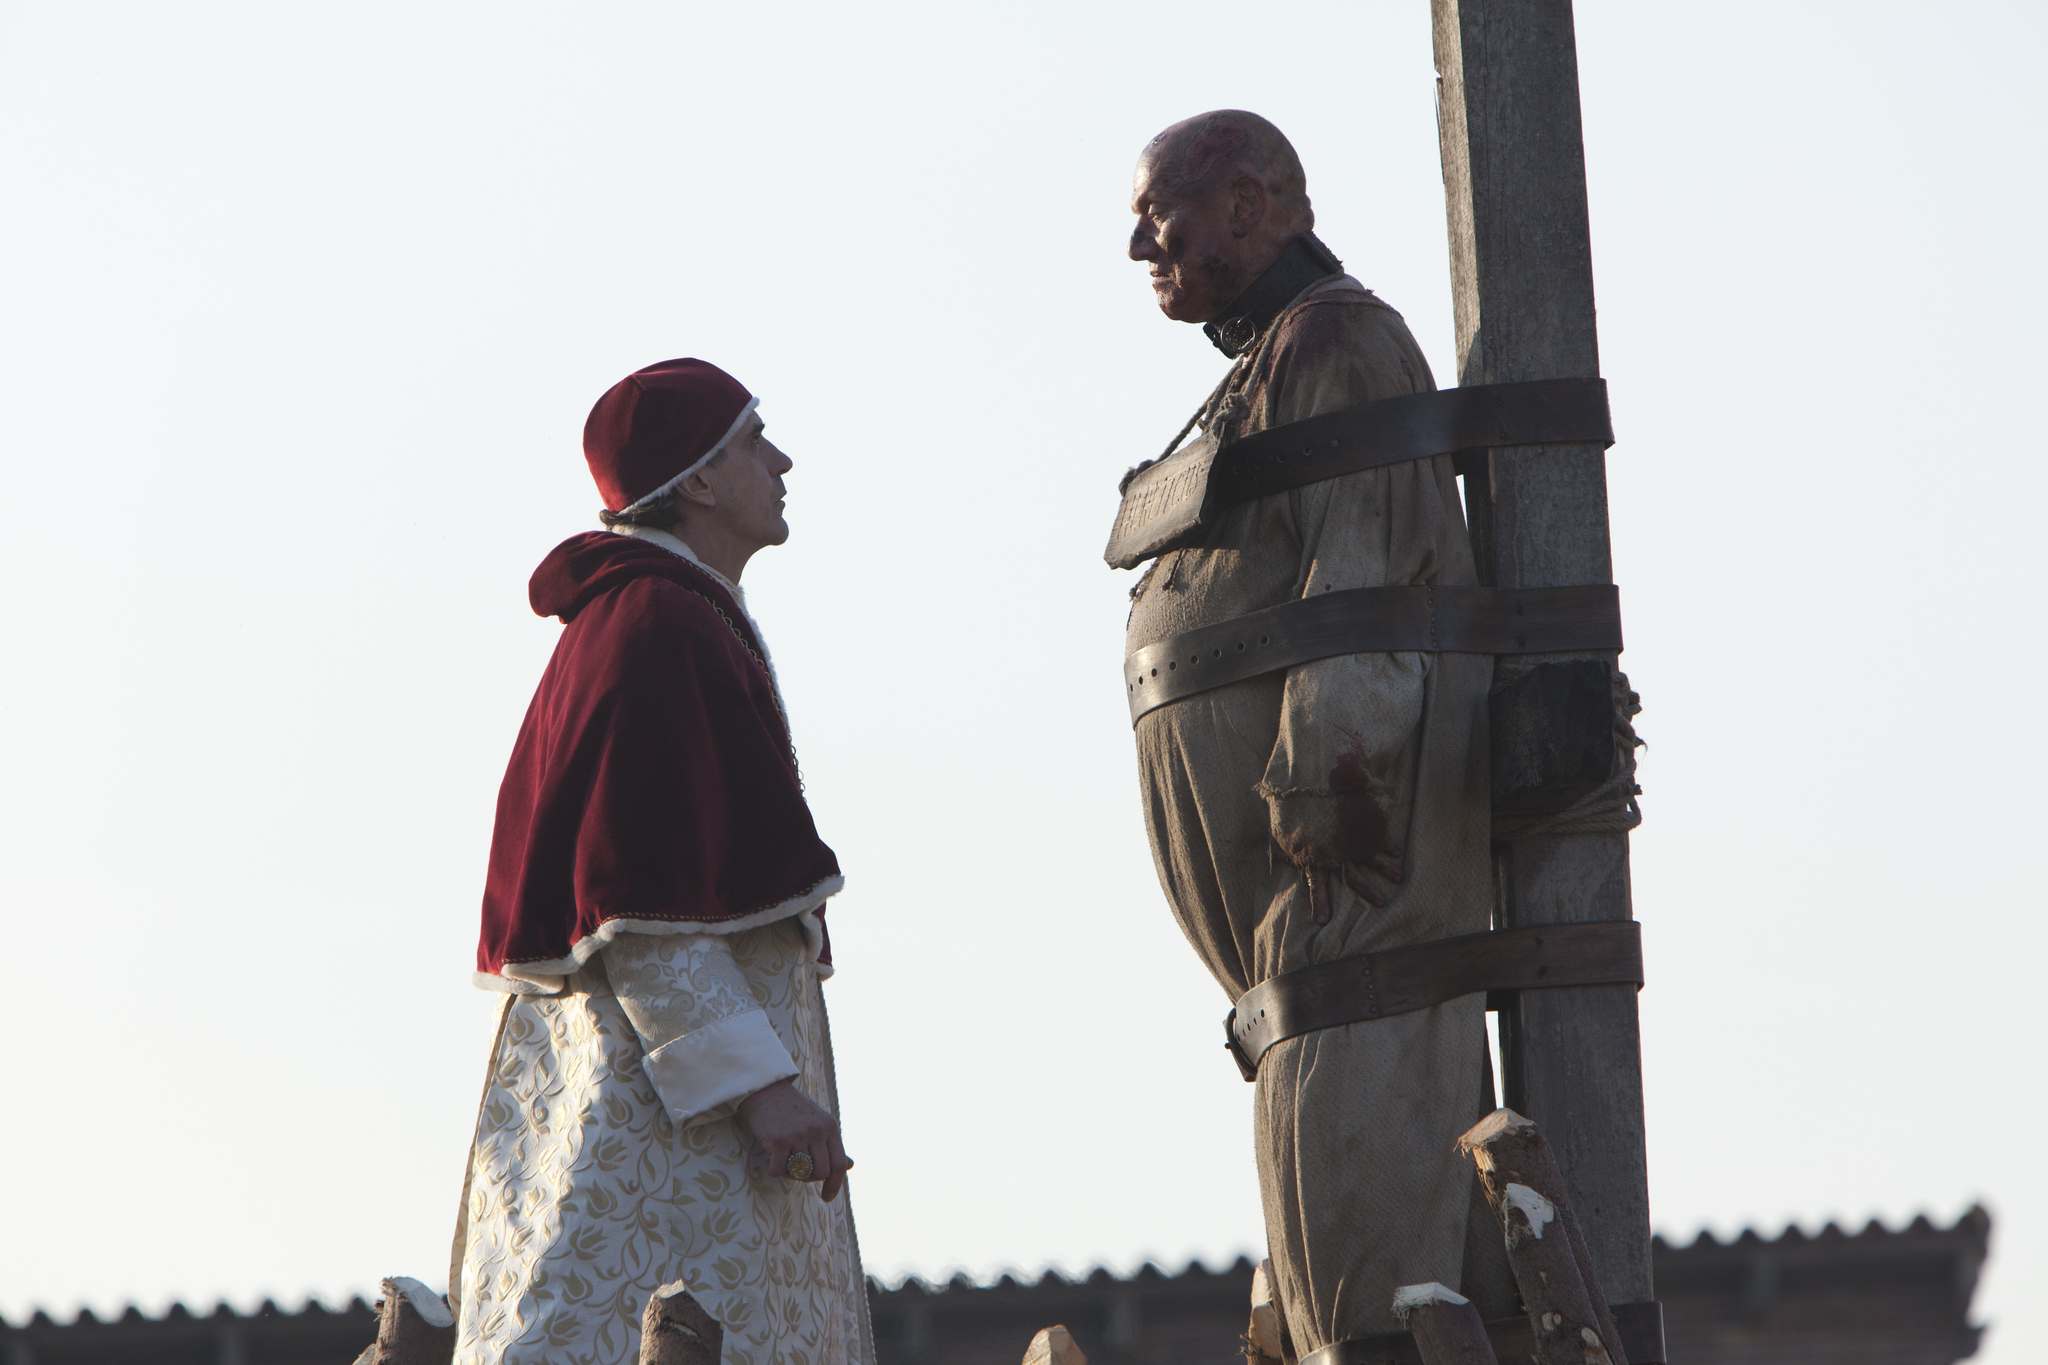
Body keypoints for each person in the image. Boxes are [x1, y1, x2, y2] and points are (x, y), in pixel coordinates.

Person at [1118, 112, 1514, 1353]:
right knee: (1319, 1125)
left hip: (1348, 865)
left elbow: (1364, 570)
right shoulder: (1265, 361)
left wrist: (1325, 771)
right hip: (1297, 925)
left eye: (1160, 213)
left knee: (1362, 1188)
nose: (1139, 242)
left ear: (1249, 205)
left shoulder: (1336, 339)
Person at [447, 358, 875, 1365]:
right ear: (698, 481)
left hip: (686, 1106)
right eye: (749, 440)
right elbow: (634, 906)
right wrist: (759, 1088)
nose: (780, 460)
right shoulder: (654, 626)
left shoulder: (661, 615)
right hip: (669, 1125)